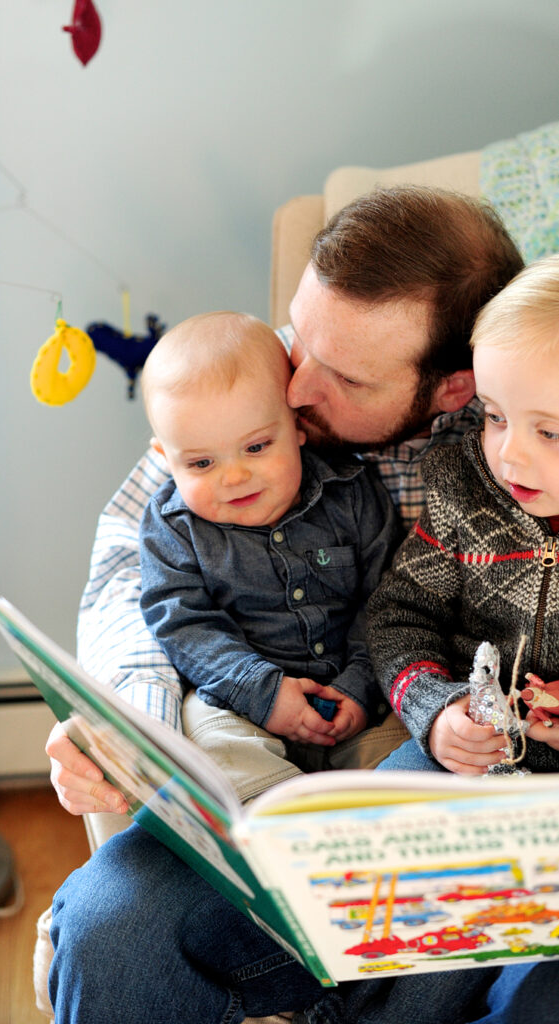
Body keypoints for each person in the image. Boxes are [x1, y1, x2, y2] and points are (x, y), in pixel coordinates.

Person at [48, 187, 555, 1023]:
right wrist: (127, 726)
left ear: (455, 389)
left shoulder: (501, 436)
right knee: (110, 927)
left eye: (345, 376)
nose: (291, 387)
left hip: (432, 780)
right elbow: (125, 563)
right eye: (297, 337)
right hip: (264, 752)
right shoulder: (267, 372)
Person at [138, 311, 399, 800]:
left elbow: (387, 598)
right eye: (201, 463)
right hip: (239, 708)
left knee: (412, 758)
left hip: (359, 704)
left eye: (256, 446)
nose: (234, 476)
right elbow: (182, 622)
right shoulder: (172, 527)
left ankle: (355, 831)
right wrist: (262, 692)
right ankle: (273, 831)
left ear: (297, 427)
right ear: (164, 456)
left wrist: (360, 687)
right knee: (208, 755)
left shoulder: (354, 493)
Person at [368, 253, 559, 777]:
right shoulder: (461, 490)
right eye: (495, 416)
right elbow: (399, 615)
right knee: (372, 821)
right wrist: (434, 709)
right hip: (473, 752)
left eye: (550, 432)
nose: (509, 455)